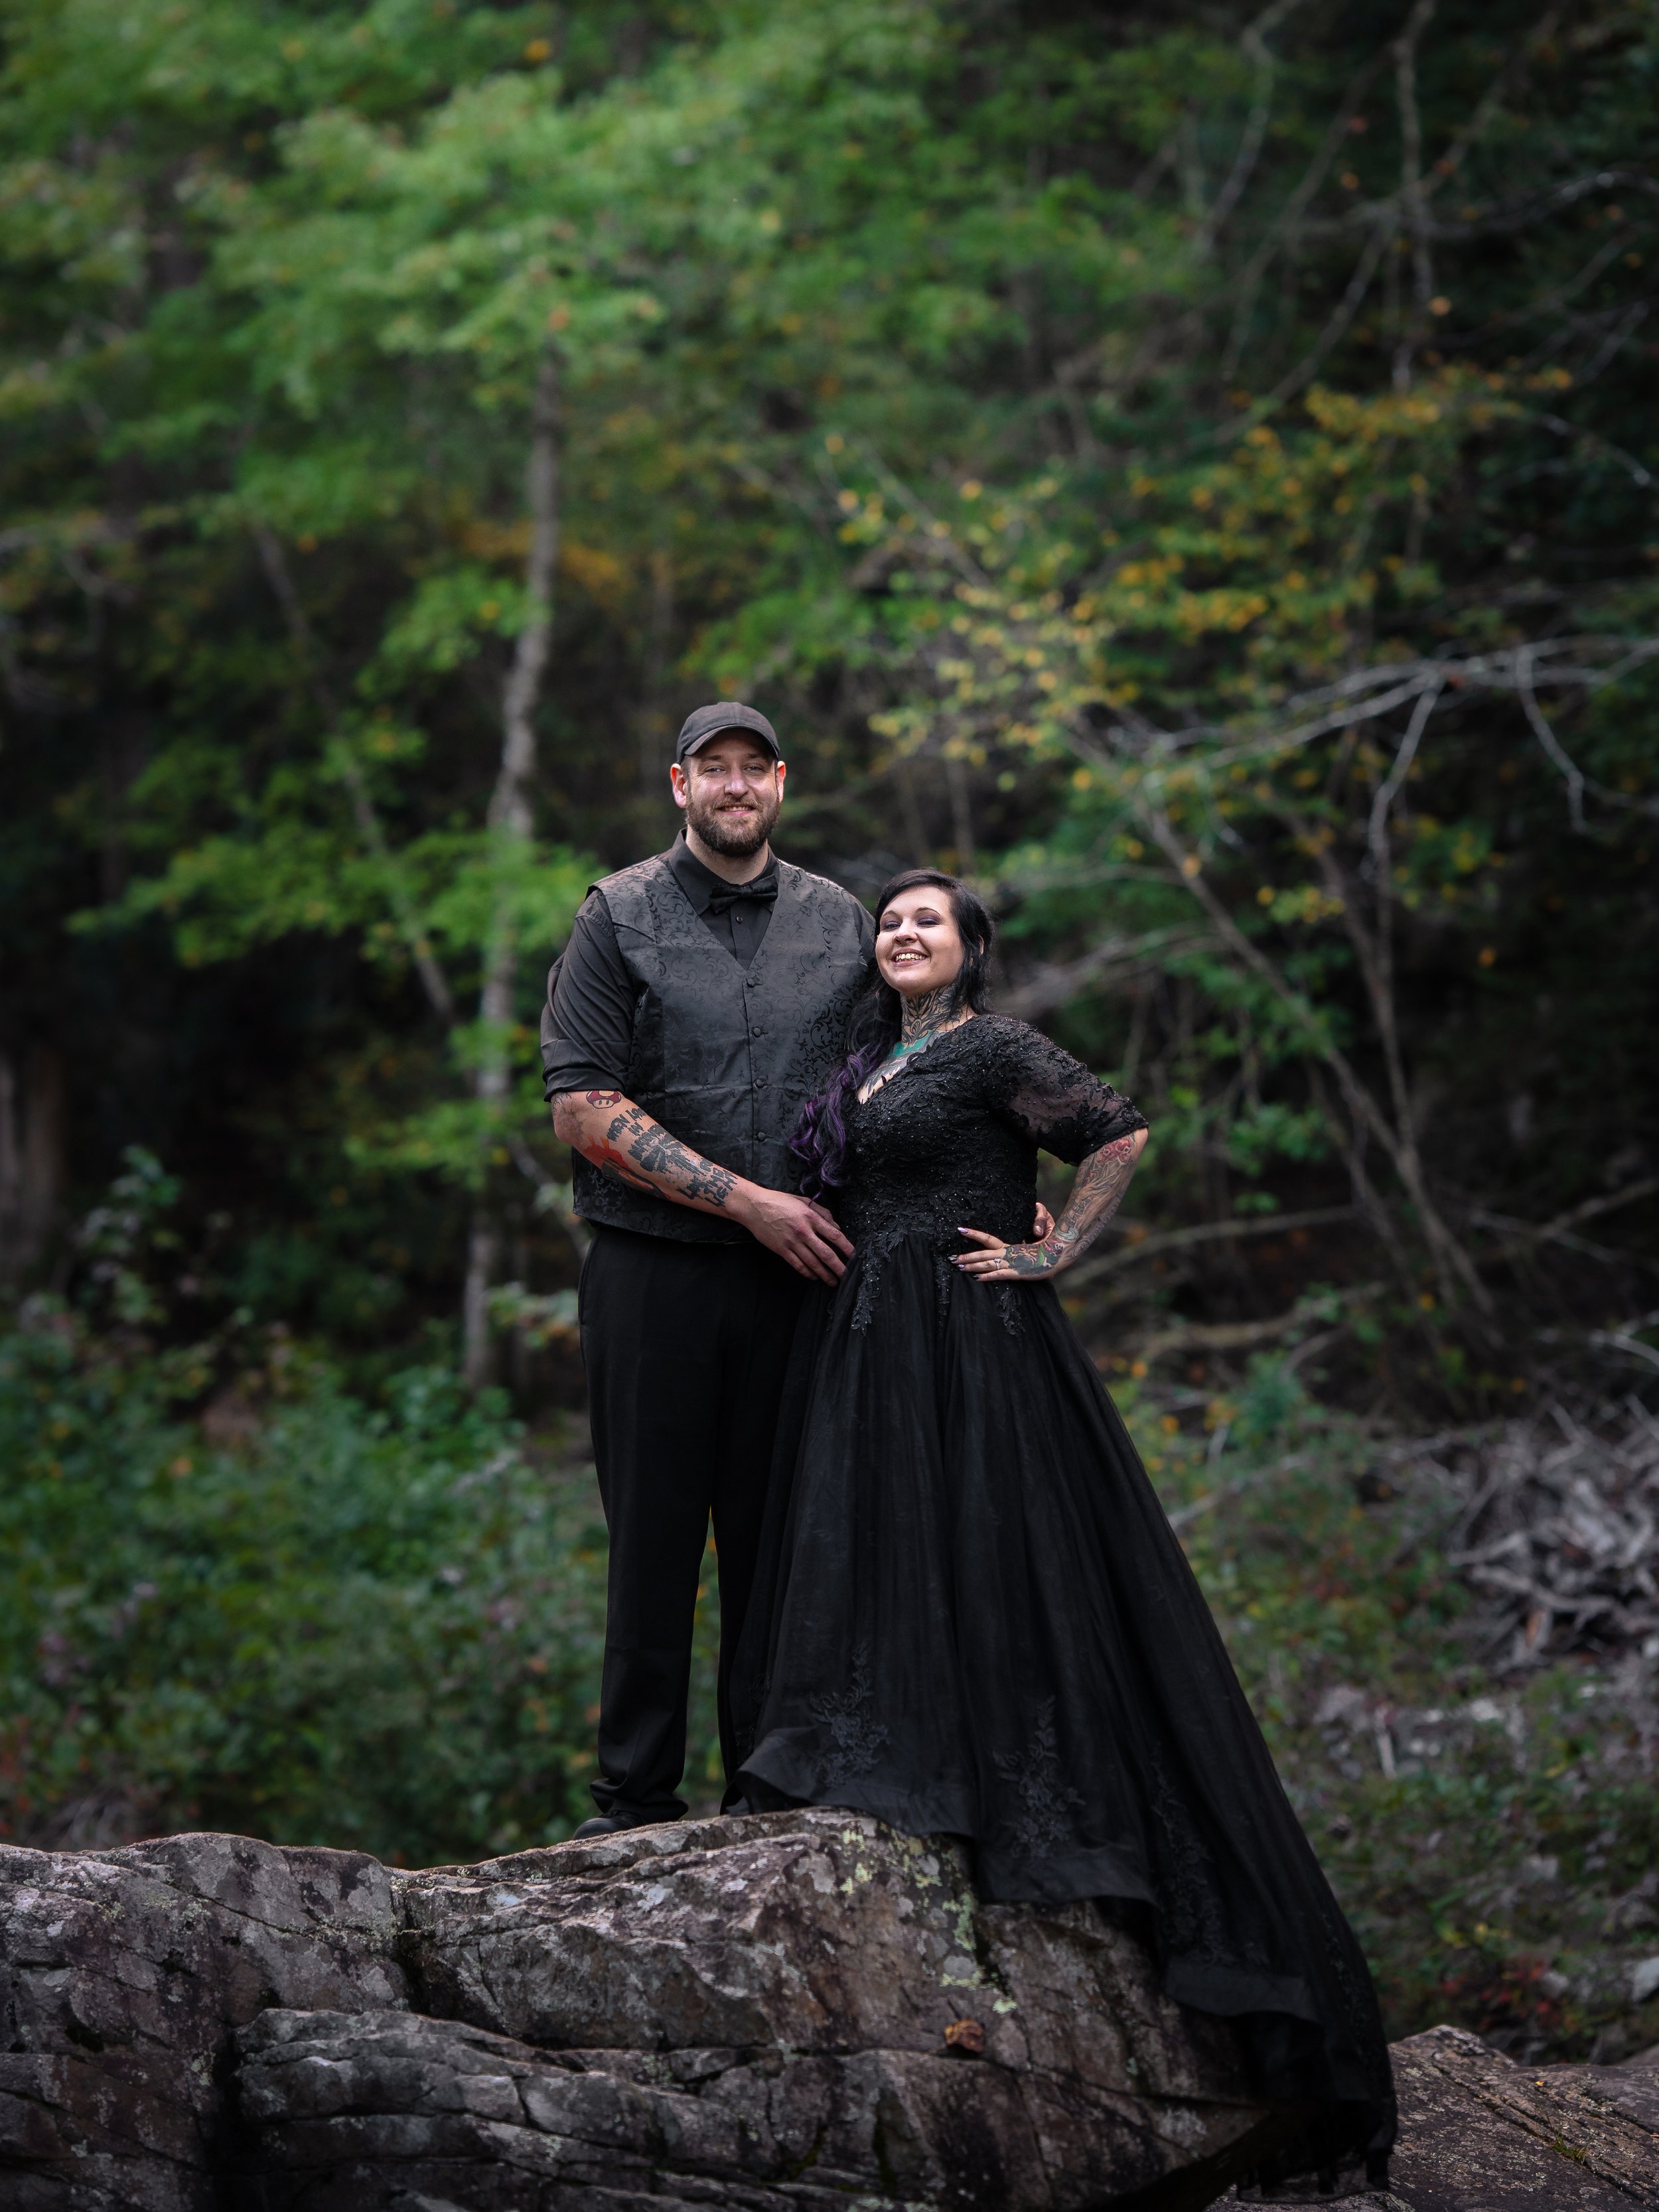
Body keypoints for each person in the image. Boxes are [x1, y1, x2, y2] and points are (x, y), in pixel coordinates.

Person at [730, 868, 1396, 2195]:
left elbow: (1118, 1128)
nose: (902, 932)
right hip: (866, 1348)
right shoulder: (862, 1058)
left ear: (971, 949)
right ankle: (893, 1767)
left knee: (1008, 1570)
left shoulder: (992, 1048)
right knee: (875, 1566)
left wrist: (1051, 1251)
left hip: (974, 1345)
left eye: (928, 919)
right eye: (889, 920)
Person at [540, 701, 873, 1838]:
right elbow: (583, 1108)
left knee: (780, 1546)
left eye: (754, 769)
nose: (735, 787)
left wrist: (992, 1178)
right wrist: (747, 1201)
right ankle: (631, 1804)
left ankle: (766, 1796)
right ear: (679, 786)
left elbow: (908, 1075)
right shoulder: (616, 914)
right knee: (653, 1541)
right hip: (653, 1277)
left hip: (801, 1284)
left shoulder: (843, 922)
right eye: (711, 769)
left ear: (780, 782)